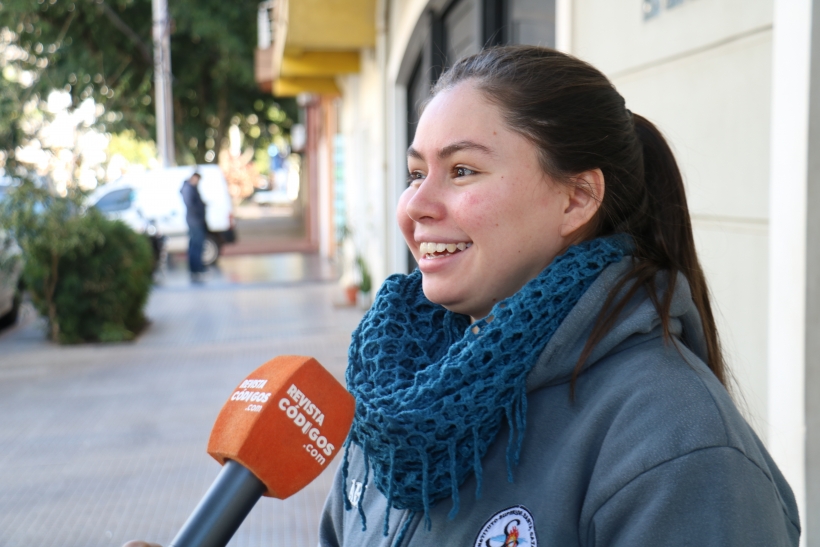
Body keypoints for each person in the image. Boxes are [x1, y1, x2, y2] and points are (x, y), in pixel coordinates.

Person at [122, 46, 799, 547]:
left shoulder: (677, 448)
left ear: (577, 196)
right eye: (417, 172)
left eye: (463, 170)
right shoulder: (394, 391)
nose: (417, 204)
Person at [180, 171, 207, 283]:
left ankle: (197, 269)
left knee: (196, 245)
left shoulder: (191, 188)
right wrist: (199, 210)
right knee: (196, 245)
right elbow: (191, 205)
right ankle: (195, 269)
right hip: (194, 221)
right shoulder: (188, 189)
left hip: (195, 220)